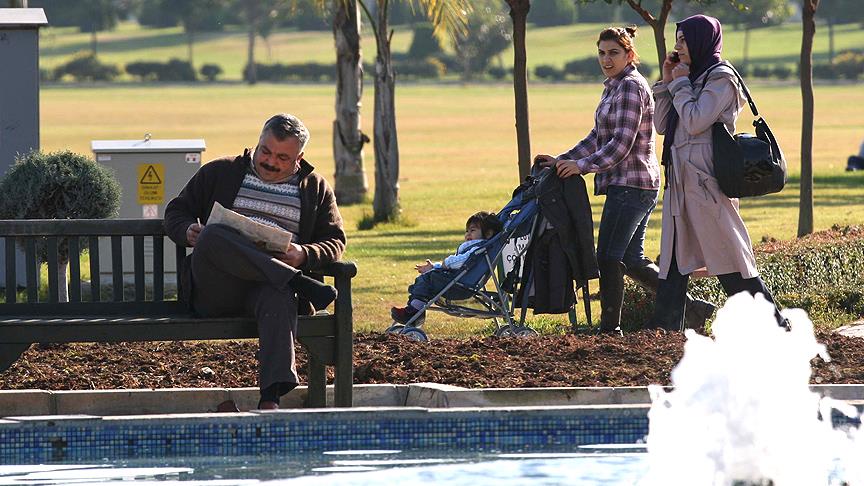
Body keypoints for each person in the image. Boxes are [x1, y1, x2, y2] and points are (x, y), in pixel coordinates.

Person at [535, 26, 714, 334]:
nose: (606, 59)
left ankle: (610, 329)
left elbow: (621, 144)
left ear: (629, 55)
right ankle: (693, 309)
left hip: (633, 184)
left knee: (608, 256)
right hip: (631, 184)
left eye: (614, 53)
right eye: (602, 53)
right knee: (631, 260)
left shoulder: (630, 86)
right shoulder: (614, 86)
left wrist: (581, 166)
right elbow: (598, 136)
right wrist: (563, 160)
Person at [164, 113, 346, 410]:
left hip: (265, 288)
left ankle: (270, 403)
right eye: (266, 151)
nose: (271, 161)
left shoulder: (315, 188)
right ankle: (294, 279)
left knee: (279, 296)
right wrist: (187, 230)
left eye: (282, 158)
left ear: (299, 158)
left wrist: (303, 254)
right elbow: (176, 211)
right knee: (213, 235)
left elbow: (335, 241)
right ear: (258, 142)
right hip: (217, 288)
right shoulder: (221, 171)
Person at [651, 15, 786, 331]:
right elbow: (662, 125)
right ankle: (663, 331)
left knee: (729, 259)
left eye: (684, 40)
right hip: (680, 180)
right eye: (677, 40)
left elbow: (696, 120)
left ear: (702, 41)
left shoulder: (722, 79)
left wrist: (680, 84)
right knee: (674, 259)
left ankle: (775, 326)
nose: (678, 46)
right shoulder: (689, 76)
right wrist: (667, 82)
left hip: (705, 181)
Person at [390, 211, 503, 325]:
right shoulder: (478, 248)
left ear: (488, 234)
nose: (468, 234)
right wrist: (434, 267)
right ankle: (414, 311)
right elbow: (461, 267)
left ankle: (414, 313)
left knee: (426, 280)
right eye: (467, 231)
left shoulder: (479, 249)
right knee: (422, 283)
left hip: (458, 286)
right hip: (457, 282)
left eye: (472, 230)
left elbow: (460, 263)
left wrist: (446, 263)